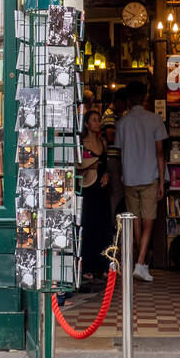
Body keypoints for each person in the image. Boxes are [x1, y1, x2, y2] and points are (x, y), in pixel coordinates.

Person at [115, 79, 167, 282]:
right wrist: (162, 181)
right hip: (149, 176)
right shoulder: (155, 120)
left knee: (135, 220)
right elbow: (160, 153)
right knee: (148, 222)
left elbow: (119, 153)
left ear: (128, 99)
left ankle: (141, 262)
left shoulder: (123, 123)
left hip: (129, 177)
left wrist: (122, 174)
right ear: (145, 97)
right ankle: (140, 264)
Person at [79, 109, 113, 287]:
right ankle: (87, 267)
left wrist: (106, 174)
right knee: (88, 226)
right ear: (86, 124)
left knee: (104, 226)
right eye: (93, 120)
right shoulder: (81, 143)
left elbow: (106, 165)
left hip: (101, 188)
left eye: (98, 120)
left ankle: (104, 265)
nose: (97, 123)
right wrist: (90, 166)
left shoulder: (103, 142)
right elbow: (77, 165)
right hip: (88, 188)